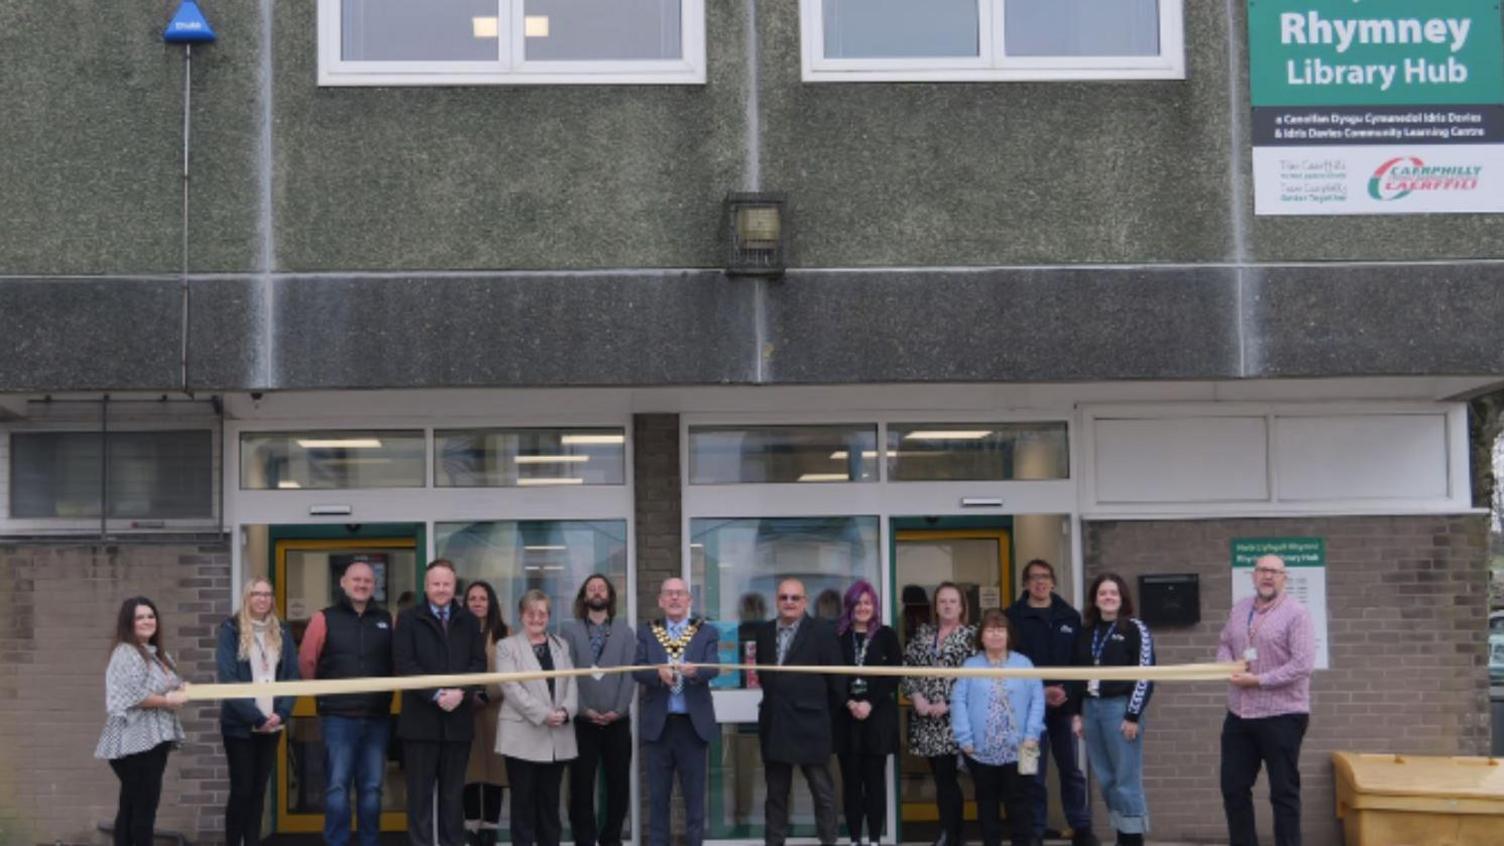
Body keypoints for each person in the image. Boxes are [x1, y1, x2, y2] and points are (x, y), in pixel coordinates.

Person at [1216, 554, 1317, 846]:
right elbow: (1225, 642)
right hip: (1239, 715)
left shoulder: (1296, 613)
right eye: (1262, 570)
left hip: (1282, 715)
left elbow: (1302, 664)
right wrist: (1228, 665)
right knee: (1234, 788)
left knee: (1283, 792)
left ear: (1284, 578)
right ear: (1254, 575)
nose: (1268, 576)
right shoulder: (1240, 609)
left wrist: (1259, 680)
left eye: (1275, 571)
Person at [298, 561, 395, 846]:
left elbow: (396, 664)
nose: (362, 584)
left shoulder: (387, 619)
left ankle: (369, 841)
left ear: (373, 585)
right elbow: (307, 663)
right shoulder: (323, 618)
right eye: (356, 579)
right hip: (338, 718)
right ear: (343, 582)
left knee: (373, 788)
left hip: (377, 717)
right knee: (337, 787)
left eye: (367, 580)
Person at [394, 560, 487, 846]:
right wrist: (436, 694)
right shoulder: (409, 619)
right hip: (420, 724)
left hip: (457, 725)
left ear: (454, 586)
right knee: (419, 799)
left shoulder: (469, 620)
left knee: (452, 797)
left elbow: (478, 664)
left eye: (447, 584)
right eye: (436, 584)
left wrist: (460, 691)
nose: (441, 589)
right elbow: (404, 663)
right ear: (426, 586)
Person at [1006, 559, 1097, 846]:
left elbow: (1080, 662)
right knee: (1031, 770)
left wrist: (1066, 692)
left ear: (1053, 582)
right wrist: (1040, 692)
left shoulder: (1069, 616)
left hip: (1065, 709)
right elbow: (1010, 666)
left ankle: (1080, 827)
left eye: (1045, 577)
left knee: (1071, 770)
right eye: (1033, 578)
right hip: (1027, 712)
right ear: (1025, 584)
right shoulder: (1013, 617)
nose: (1040, 582)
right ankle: (1035, 829)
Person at [755, 577, 844, 846]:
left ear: (805, 601)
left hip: (811, 726)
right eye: (784, 597)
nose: (789, 602)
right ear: (777, 601)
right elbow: (765, 677)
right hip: (776, 725)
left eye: (795, 598)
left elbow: (837, 684)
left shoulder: (822, 632)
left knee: (823, 794)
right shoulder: (764, 632)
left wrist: (817, 711)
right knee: (776, 796)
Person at [633, 577, 720, 846]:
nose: (674, 598)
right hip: (659, 726)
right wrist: (656, 674)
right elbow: (638, 669)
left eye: (679, 594)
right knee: (658, 801)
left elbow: (714, 667)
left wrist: (697, 672)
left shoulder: (706, 632)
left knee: (694, 802)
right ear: (660, 600)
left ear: (689, 600)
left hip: (693, 728)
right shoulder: (648, 631)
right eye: (669, 594)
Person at [97, 597, 189, 846]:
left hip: (153, 741)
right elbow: (133, 696)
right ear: (129, 622)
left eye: (151, 616)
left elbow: (171, 686)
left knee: (132, 805)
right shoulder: (126, 653)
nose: (147, 621)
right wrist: (169, 699)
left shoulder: (159, 654)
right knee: (143, 809)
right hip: (134, 743)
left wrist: (182, 689)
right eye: (140, 617)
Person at [1070, 574, 1154, 846]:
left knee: (1125, 778)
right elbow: (1075, 675)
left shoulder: (1134, 628)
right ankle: (1122, 836)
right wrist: (1077, 714)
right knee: (1106, 778)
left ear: (1122, 598)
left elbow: (1145, 675)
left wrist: (1133, 715)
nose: (1108, 598)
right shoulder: (1086, 631)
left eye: (1113, 593)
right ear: (1095, 598)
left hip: (1120, 710)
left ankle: (1132, 839)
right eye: (1103, 593)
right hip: (1090, 708)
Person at [217, 578, 300, 846]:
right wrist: (257, 718)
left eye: (267, 594)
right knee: (241, 790)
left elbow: (291, 676)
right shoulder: (230, 629)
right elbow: (227, 678)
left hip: (273, 723)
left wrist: (282, 714)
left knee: (258, 790)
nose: (262, 599)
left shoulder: (282, 630)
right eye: (256, 594)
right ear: (247, 597)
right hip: (240, 725)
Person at [952, 610, 1044, 846]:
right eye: (990, 630)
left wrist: (1032, 735)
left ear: (1009, 635)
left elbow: (1038, 700)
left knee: (1019, 805)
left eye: (1000, 629)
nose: (995, 635)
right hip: (981, 751)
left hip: (1018, 748)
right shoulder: (970, 665)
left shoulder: (1023, 663)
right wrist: (965, 739)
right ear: (981, 636)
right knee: (986, 805)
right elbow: (958, 701)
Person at [495, 589, 578, 846]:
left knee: (549, 805)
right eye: (531, 612)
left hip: (557, 736)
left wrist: (566, 711)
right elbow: (511, 688)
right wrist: (544, 715)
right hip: (522, 738)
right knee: (522, 806)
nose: (536, 618)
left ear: (549, 617)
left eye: (542, 613)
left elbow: (571, 683)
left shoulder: (560, 645)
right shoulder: (506, 646)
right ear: (521, 615)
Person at [560, 575, 637, 846]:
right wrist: (583, 709)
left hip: (617, 722)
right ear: (584, 596)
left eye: (601, 588)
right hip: (582, 723)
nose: (596, 591)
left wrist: (618, 709)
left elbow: (629, 675)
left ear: (610, 596)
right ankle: (584, 839)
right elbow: (566, 676)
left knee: (618, 786)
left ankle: (611, 839)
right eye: (591, 588)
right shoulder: (569, 631)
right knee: (581, 788)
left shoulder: (624, 631)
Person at [902, 582, 976, 846]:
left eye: (952, 601)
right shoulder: (923, 634)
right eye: (942, 601)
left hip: (954, 719)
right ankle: (952, 834)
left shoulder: (971, 637)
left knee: (948, 780)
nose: (947, 605)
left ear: (962, 606)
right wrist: (917, 696)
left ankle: (950, 834)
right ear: (935, 606)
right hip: (926, 721)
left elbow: (975, 678)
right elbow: (906, 668)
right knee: (941, 779)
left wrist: (948, 702)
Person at [833, 580, 901, 846]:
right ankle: (854, 839)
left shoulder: (886, 635)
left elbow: (894, 675)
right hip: (845, 717)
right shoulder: (837, 636)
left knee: (874, 783)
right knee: (850, 783)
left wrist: (869, 702)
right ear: (849, 606)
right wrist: (850, 702)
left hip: (877, 717)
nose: (863, 607)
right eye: (857, 603)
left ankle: (873, 839)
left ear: (875, 606)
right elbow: (831, 677)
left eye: (867, 603)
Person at [462, 580, 509, 846]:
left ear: (491, 602)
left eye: (483, 598)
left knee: (494, 775)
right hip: (464, 713)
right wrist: (468, 696)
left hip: (495, 712)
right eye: (472, 598)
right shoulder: (456, 631)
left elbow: (511, 675)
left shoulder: (505, 633)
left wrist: (485, 695)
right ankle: (471, 830)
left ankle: (489, 830)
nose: (478, 603)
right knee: (468, 774)